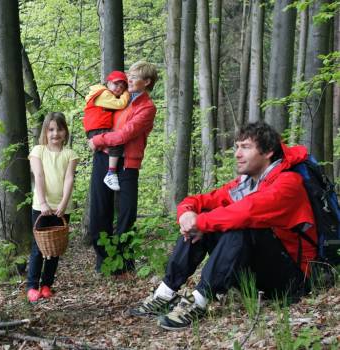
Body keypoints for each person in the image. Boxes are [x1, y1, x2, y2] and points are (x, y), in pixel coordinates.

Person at [129, 121, 317, 330]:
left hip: (292, 280)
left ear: (268, 152)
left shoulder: (288, 183)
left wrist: (200, 223)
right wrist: (187, 215)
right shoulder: (245, 184)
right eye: (237, 147)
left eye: (245, 147)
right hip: (259, 275)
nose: (237, 153)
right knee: (208, 216)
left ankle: (199, 302)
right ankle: (164, 292)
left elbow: (247, 212)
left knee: (240, 225)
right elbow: (198, 200)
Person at [88, 61, 158, 276]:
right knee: (99, 213)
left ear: (146, 82)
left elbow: (125, 134)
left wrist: (98, 139)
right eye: (130, 74)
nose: (129, 79)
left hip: (127, 163)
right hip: (104, 159)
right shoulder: (120, 99)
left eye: (135, 76)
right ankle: (105, 263)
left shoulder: (147, 108)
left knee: (126, 215)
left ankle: (124, 264)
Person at [26, 112, 78, 302]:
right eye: (51, 129)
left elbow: (69, 178)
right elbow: (38, 176)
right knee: (39, 247)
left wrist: (63, 204)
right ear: (45, 132)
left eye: (59, 129)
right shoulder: (38, 150)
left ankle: (47, 284)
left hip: (62, 209)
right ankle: (32, 286)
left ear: (65, 132)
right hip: (41, 206)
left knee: (55, 249)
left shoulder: (69, 154)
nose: (55, 133)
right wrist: (43, 203)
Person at [83, 70, 130, 191]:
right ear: (108, 83)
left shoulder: (102, 94)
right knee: (116, 142)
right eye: (116, 84)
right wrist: (126, 93)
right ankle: (110, 173)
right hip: (98, 128)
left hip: (96, 128)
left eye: (122, 86)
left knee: (112, 146)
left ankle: (110, 172)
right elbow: (120, 104)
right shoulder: (103, 94)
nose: (119, 88)